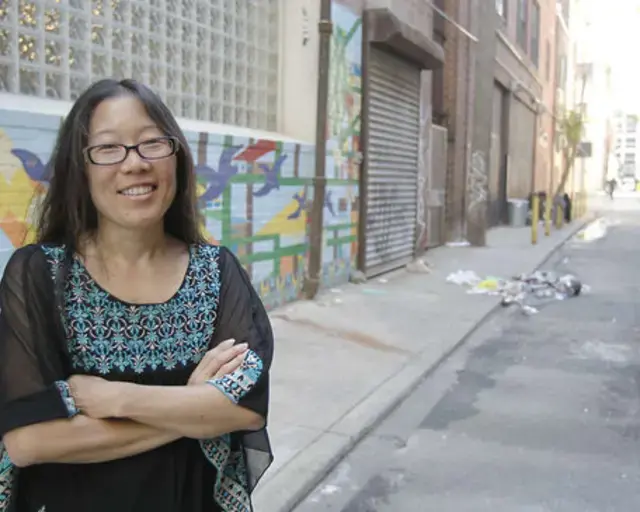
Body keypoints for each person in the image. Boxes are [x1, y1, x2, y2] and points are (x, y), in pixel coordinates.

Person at [0, 79, 274, 512]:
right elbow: (29, 440)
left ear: (176, 158)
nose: (135, 164)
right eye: (108, 148)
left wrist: (117, 398)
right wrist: (190, 406)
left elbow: (244, 410)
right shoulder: (39, 276)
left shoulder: (216, 272)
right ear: (81, 168)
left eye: (152, 144)